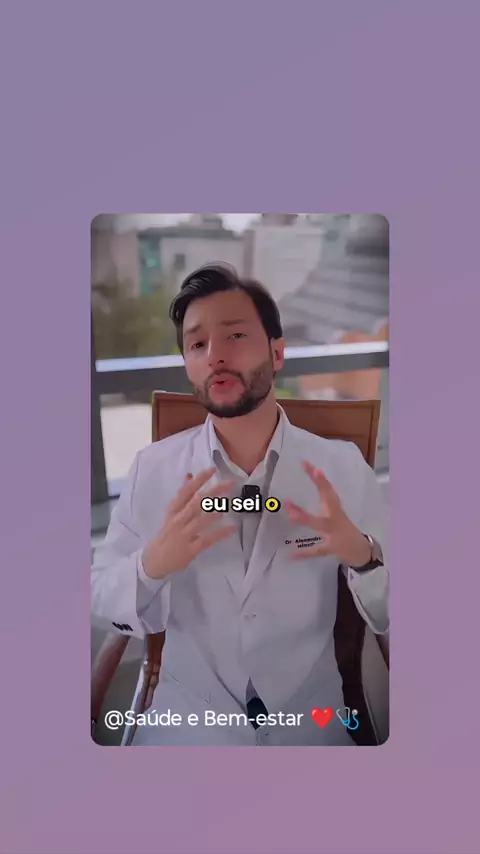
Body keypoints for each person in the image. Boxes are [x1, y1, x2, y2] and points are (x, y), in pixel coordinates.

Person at [91, 263, 388, 746]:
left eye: (235, 335)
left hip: (311, 722)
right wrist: (151, 565)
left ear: (277, 353)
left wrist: (363, 555)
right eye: (197, 344)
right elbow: (99, 595)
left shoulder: (341, 467)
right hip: (187, 724)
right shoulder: (153, 470)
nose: (215, 356)